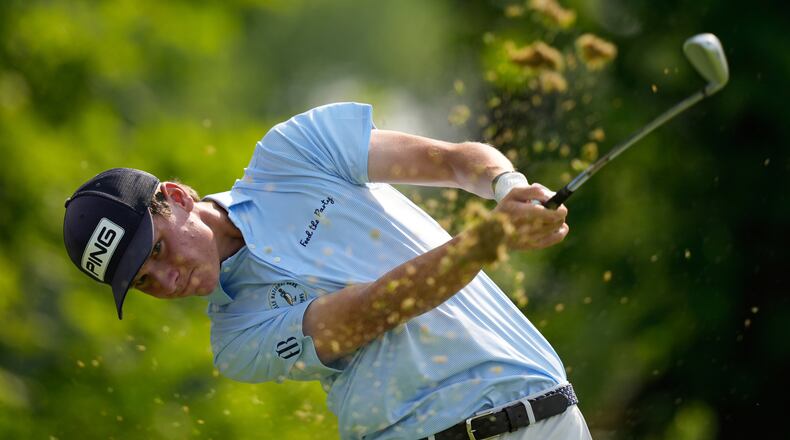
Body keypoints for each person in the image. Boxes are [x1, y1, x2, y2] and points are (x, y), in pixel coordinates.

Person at [63, 102, 591, 439]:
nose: (168, 280)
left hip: (545, 414)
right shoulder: (235, 339)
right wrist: (492, 237)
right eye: (144, 283)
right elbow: (373, 312)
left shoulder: (291, 154)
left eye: (155, 253)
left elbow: (450, 159)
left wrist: (506, 187)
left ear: (176, 198)